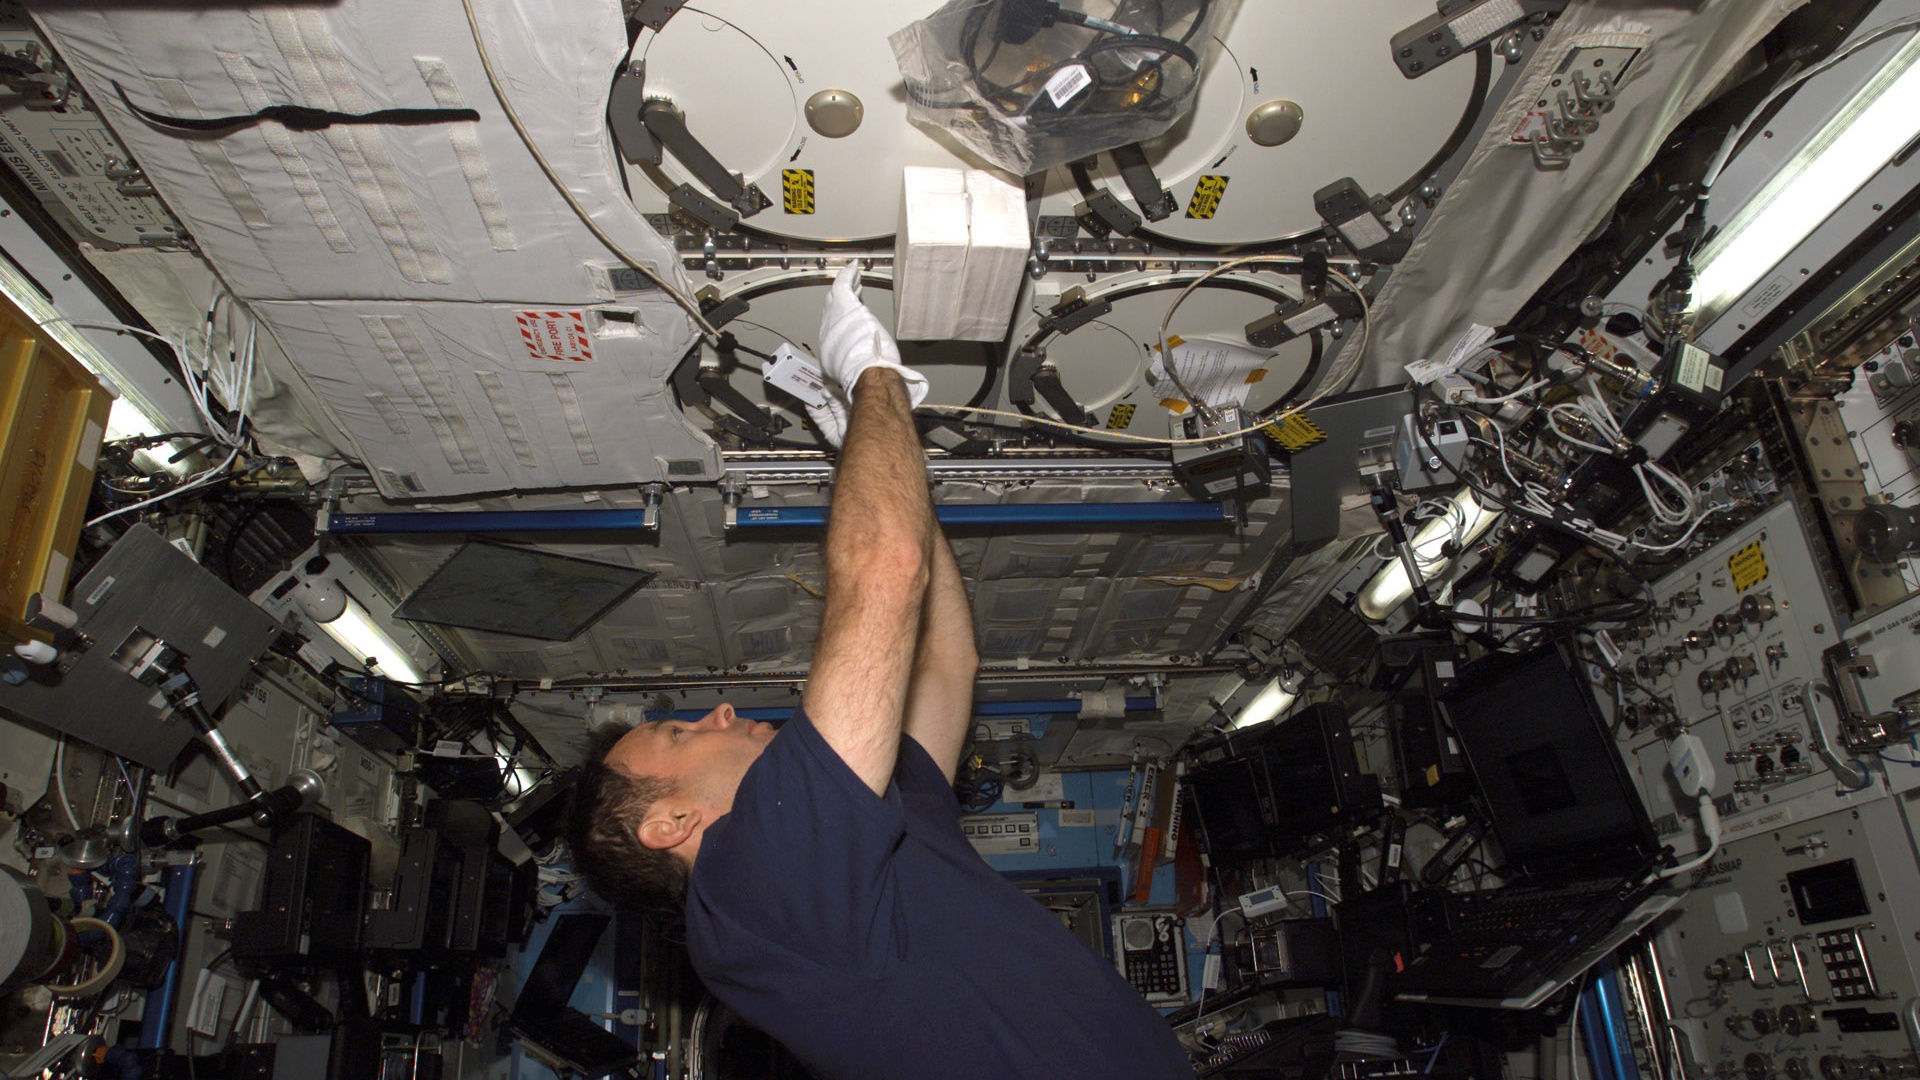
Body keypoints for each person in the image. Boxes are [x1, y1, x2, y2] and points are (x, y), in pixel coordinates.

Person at [565, 264, 1193, 1078]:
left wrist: (861, 453)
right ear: (667, 825)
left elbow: (944, 660)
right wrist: (872, 376)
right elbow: (885, 566)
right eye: (679, 733)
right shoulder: (752, 890)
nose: (718, 711)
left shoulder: (860, 842)